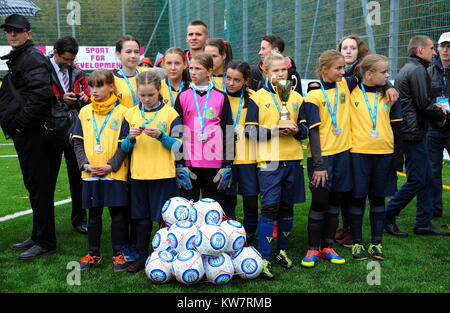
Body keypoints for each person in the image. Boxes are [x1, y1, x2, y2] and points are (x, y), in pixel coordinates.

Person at [245, 52, 310, 278]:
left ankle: (281, 251)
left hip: (292, 159)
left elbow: (305, 130)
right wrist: (275, 131)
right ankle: (263, 257)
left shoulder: (297, 98)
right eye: (276, 70)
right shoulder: (257, 98)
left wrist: (295, 131)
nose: (281, 74)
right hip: (269, 161)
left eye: (284, 70)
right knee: (270, 208)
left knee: (287, 207)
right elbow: (249, 131)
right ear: (265, 72)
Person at [0, 14, 58, 260]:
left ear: (28, 33)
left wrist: (21, 125)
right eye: (9, 31)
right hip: (27, 134)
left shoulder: (31, 58)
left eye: (17, 30)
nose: (12, 34)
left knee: (40, 188)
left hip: (35, 135)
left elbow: (41, 97)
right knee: (34, 187)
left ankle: (46, 242)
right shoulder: (21, 57)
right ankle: (37, 235)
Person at [384, 35, 450, 237]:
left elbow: (421, 101)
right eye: (432, 48)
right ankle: (387, 215)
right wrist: (442, 115)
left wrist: (434, 107)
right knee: (417, 180)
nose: (435, 52)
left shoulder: (411, 68)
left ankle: (423, 223)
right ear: (420, 50)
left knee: (428, 179)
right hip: (413, 134)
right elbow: (423, 104)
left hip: (414, 131)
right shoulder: (418, 70)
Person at [119, 71, 182, 273]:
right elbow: (124, 148)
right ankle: (142, 257)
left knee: (164, 220)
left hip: (164, 175)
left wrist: (162, 136)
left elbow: (180, 146)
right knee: (142, 219)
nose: (146, 99)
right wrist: (131, 138)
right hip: (139, 176)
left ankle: (164, 257)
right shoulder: (130, 114)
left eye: (150, 95)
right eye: (142, 95)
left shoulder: (171, 114)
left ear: (159, 91)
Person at [72, 69, 130, 271]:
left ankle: (118, 254)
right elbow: (77, 143)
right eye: (92, 86)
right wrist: (85, 165)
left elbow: (125, 144)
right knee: (93, 215)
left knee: (117, 215)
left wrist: (110, 166)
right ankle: (94, 254)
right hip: (90, 174)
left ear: (111, 87)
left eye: (99, 86)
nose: (94, 90)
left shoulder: (123, 112)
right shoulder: (84, 112)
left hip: (114, 173)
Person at [348, 54, 403, 261]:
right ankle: (356, 243)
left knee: (378, 199)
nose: (388, 75)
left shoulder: (391, 95)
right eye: (384, 72)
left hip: (384, 154)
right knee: (357, 198)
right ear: (369, 74)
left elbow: (397, 127)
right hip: (358, 154)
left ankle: (376, 243)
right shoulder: (351, 91)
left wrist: (398, 155)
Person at [173, 52, 234, 210]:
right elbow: (176, 131)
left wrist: (227, 163)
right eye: (191, 68)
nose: (193, 72)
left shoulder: (221, 97)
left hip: (214, 161)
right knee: (188, 207)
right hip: (189, 161)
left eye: (198, 69)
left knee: (213, 208)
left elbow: (227, 129)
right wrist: (179, 162)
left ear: (209, 71)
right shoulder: (182, 96)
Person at [48, 35, 90, 235]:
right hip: (50, 131)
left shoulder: (77, 72)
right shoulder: (43, 69)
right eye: (65, 59)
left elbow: (89, 98)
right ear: (55, 52)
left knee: (78, 177)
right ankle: (46, 224)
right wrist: (58, 98)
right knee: (48, 180)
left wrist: (83, 97)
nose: (68, 63)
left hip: (74, 130)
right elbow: (37, 95)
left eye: (72, 60)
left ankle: (80, 219)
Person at [223, 60, 258, 242]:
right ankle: (232, 234)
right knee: (228, 200)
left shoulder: (253, 97)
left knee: (250, 201)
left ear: (246, 81)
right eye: (228, 78)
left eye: (236, 80)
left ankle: (250, 233)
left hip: (247, 158)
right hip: (224, 159)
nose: (230, 83)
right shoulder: (219, 96)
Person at [426, 32, 450, 218]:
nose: (445, 50)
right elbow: (425, 99)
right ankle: (436, 209)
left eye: (449, 46)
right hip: (434, 127)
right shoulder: (428, 71)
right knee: (433, 170)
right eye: (443, 46)